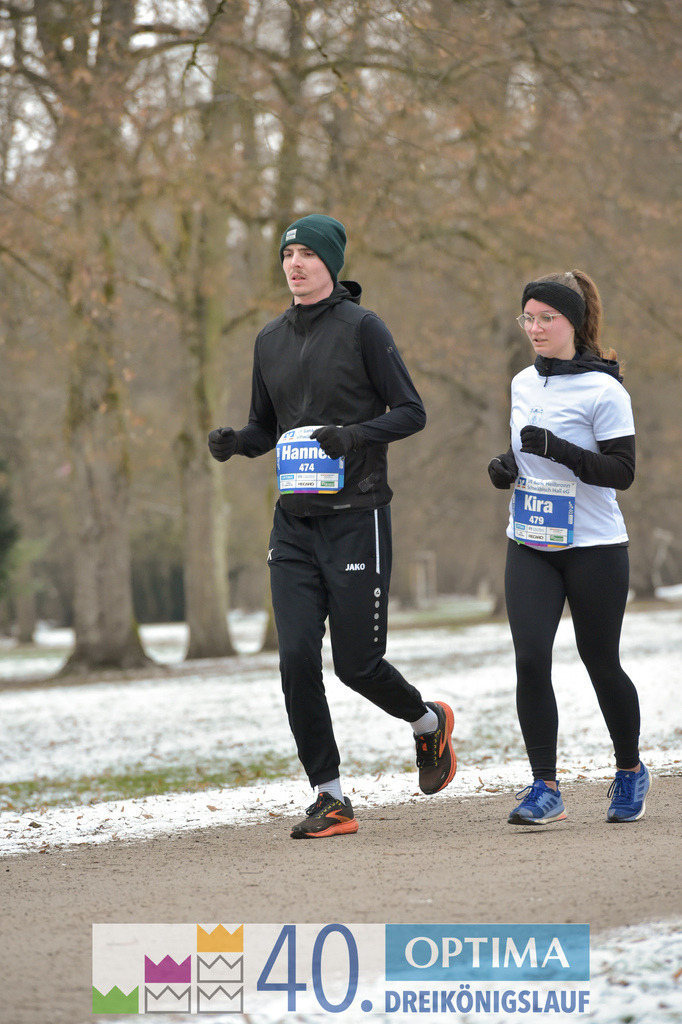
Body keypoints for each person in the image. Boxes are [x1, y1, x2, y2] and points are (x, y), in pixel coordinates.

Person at [208, 213, 456, 838]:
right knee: (295, 659)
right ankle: (331, 797)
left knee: (357, 665)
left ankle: (428, 724)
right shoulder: (269, 338)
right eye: (288, 254)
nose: (295, 264)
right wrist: (239, 441)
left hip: (357, 517)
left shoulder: (363, 329)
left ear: (331, 264)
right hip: (293, 524)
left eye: (308, 254)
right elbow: (268, 426)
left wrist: (352, 436)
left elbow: (411, 412)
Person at [488, 269, 650, 826]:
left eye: (546, 318)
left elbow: (621, 473)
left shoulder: (606, 390)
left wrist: (558, 449)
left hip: (595, 546)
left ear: (573, 323)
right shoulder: (521, 383)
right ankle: (544, 787)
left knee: (600, 660)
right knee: (531, 659)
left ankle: (629, 771)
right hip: (530, 539)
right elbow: (524, 452)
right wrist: (508, 465)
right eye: (527, 318)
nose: (534, 328)